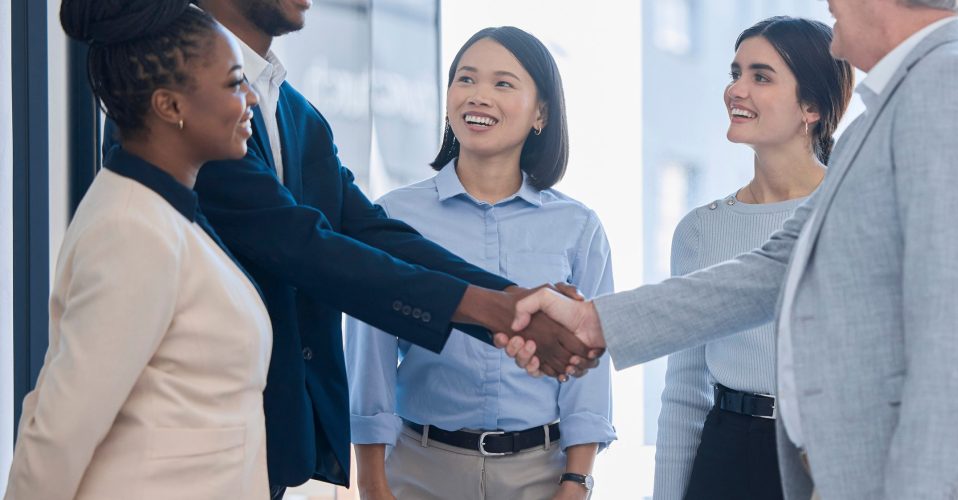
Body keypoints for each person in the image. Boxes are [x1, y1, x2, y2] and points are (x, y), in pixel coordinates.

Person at [501, 0, 958, 498]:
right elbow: (773, 269)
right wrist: (593, 320)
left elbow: (955, 341)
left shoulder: (954, 88)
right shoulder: (888, 113)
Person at [100, 1, 592, 497]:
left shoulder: (295, 111)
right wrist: (498, 310)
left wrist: (513, 300)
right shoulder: (184, 110)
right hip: (186, 444)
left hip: (264, 443)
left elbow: (370, 233)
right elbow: (301, 246)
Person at [5, 1, 270, 499]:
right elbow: (59, 434)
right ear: (170, 106)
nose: (252, 98)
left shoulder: (161, 216)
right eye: (235, 82)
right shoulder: (132, 229)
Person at [346, 27, 615, 500]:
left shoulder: (578, 226)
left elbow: (588, 369)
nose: (479, 96)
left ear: (541, 113)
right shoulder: (393, 216)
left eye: (503, 84)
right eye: (465, 79)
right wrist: (372, 482)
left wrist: (577, 481)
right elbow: (371, 356)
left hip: (541, 473)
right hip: (421, 467)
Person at [654, 17, 852, 500]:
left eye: (760, 77)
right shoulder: (702, 230)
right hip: (725, 454)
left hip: (827, 456)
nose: (736, 90)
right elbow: (684, 391)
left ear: (811, 107)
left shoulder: (852, 212)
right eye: (735, 73)